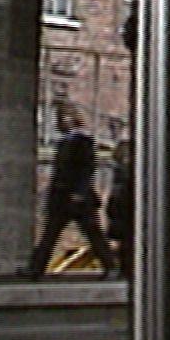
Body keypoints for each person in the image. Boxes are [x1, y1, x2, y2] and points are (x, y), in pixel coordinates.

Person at [26, 105, 116, 279]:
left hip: (78, 199)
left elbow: (87, 169)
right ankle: (36, 268)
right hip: (61, 197)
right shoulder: (64, 142)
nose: (60, 121)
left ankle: (110, 266)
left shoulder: (83, 141)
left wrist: (80, 193)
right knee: (50, 234)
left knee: (92, 233)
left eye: (63, 117)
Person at [104, 137, 132, 279]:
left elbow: (117, 195)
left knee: (125, 244)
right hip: (124, 213)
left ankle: (123, 269)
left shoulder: (123, 173)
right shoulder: (124, 172)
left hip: (123, 212)